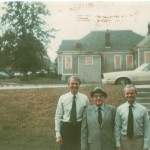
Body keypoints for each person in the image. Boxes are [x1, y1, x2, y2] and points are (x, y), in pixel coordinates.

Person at [55, 75, 90, 150]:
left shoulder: (84, 98)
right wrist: (58, 134)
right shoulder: (62, 98)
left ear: (79, 85)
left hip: (79, 127)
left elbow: (88, 115)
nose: (74, 86)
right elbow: (58, 116)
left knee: (79, 147)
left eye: (77, 84)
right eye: (72, 83)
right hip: (66, 127)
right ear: (68, 85)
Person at [115, 84, 150, 150]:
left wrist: (146, 145)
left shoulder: (143, 109)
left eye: (132, 93)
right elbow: (117, 128)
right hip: (124, 141)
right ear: (124, 95)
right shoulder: (120, 109)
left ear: (136, 94)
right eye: (127, 93)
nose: (129, 95)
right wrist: (118, 144)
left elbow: (147, 128)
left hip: (139, 141)